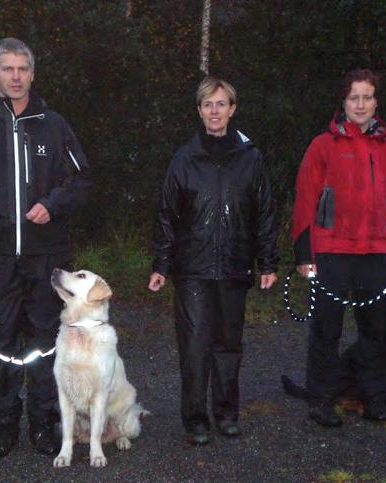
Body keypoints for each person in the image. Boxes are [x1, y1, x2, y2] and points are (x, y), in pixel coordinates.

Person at [0, 38, 92, 457]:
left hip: (46, 256)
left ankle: (44, 424)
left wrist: (52, 205)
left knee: (45, 340)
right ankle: (4, 422)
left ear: (32, 73)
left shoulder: (54, 124)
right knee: (1, 341)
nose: (16, 76)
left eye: (23, 68)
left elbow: (81, 179)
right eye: (7, 68)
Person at [148, 76, 279, 445]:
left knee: (228, 346)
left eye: (221, 104)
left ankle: (226, 413)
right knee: (193, 347)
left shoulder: (250, 158)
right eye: (208, 104)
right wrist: (161, 264)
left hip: (235, 267)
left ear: (233, 109)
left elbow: (264, 213)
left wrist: (267, 262)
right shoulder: (184, 159)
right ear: (199, 111)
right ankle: (195, 419)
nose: (215, 111)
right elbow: (166, 214)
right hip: (193, 270)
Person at [291, 68, 386, 427]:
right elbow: (305, 200)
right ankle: (321, 400)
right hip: (331, 252)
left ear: (376, 102)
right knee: (326, 331)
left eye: (367, 97)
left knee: (376, 332)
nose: (360, 104)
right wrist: (304, 254)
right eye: (353, 97)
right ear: (343, 102)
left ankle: (374, 397)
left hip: (377, 254)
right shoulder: (322, 146)